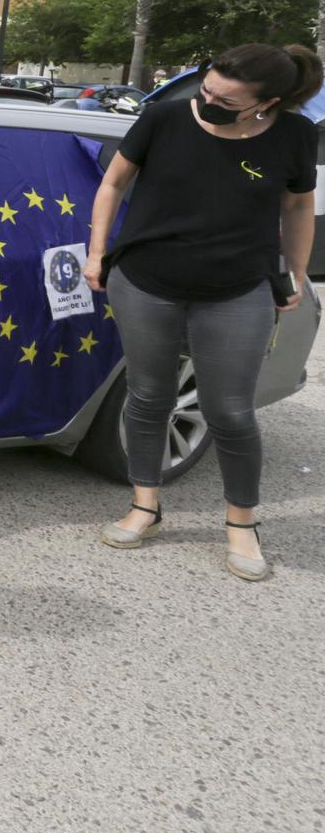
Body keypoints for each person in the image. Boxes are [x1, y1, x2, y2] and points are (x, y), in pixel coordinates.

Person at [86, 43, 320, 582]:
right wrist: (98, 252)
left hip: (237, 290)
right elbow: (113, 182)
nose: (208, 100)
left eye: (225, 99)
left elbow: (298, 204)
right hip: (146, 282)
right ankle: (146, 505)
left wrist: (298, 271)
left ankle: (242, 523)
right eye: (207, 88)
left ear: (268, 102)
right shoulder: (165, 117)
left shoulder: (293, 135)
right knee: (149, 397)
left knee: (231, 412)